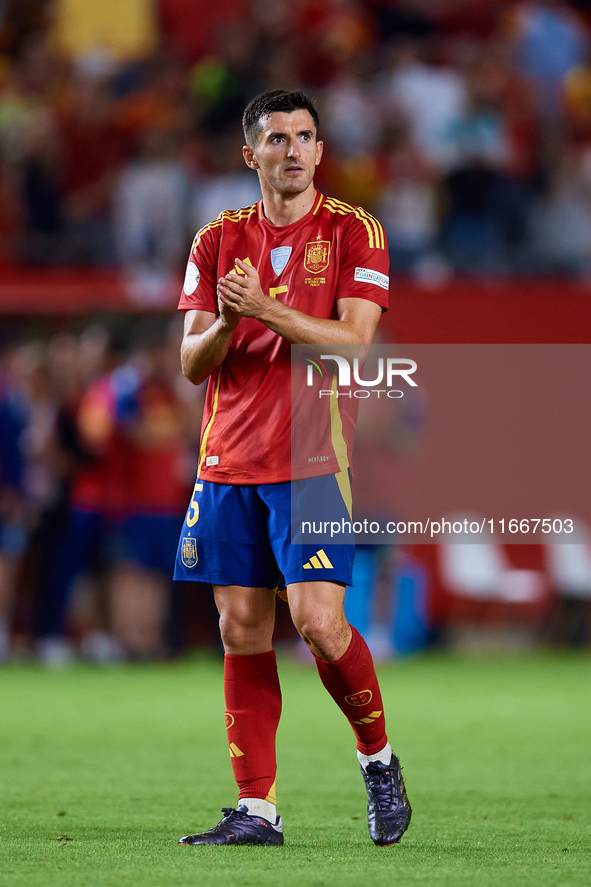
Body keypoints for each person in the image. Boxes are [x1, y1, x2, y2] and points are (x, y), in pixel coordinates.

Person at [174, 89, 411, 847]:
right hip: (227, 462)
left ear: (319, 148)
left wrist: (266, 309)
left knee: (317, 621)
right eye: (277, 138)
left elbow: (352, 345)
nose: (294, 150)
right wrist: (227, 320)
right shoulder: (215, 240)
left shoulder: (353, 230)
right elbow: (189, 361)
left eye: (305, 136)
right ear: (251, 155)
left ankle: (376, 758)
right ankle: (257, 809)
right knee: (240, 627)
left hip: (312, 459)